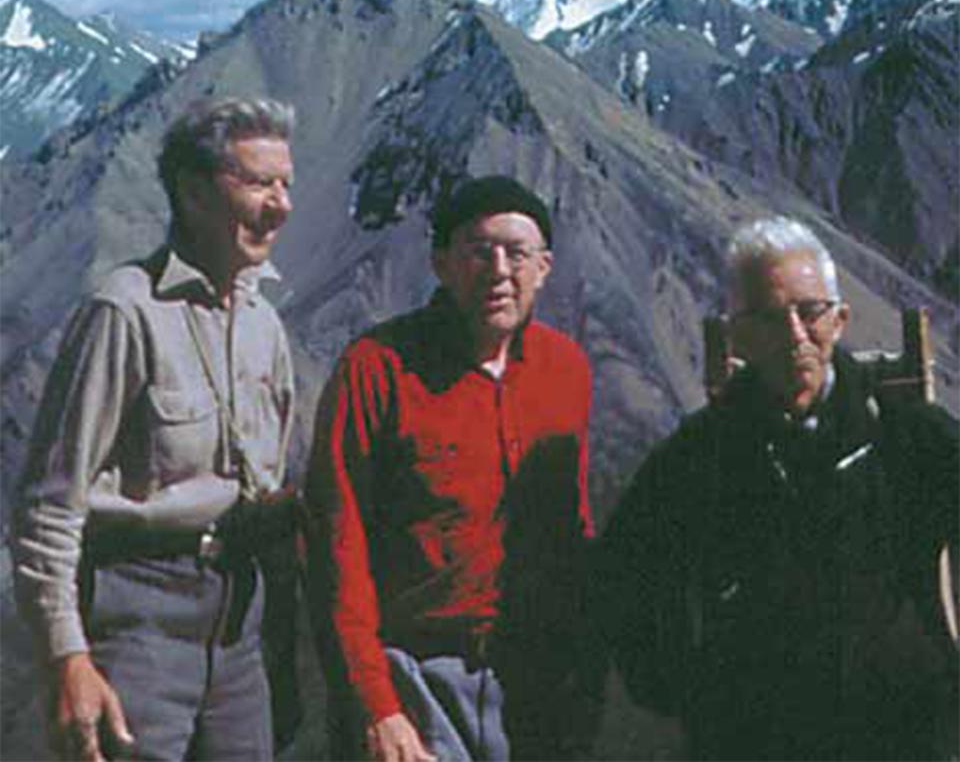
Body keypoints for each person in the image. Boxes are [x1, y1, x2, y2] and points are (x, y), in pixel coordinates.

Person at [598, 216, 959, 762]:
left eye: (810, 311)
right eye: (769, 318)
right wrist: (683, 691)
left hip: (899, 727)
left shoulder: (909, 435)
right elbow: (625, 573)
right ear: (739, 335)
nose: (794, 334)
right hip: (756, 734)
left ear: (839, 320)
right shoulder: (700, 455)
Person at [13, 97, 297, 761]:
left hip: (238, 630)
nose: (281, 206)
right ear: (195, 192)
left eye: (286, 184)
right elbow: (48, 503)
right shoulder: (124, 311)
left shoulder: (264, 324)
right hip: (134, 618)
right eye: (259, 183)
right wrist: (67, 656)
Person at [306, 176, 600, 762]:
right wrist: (377, 706)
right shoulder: (377, 370)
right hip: (415, 676)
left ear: (544, 267)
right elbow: (336, 546)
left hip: (535, 676)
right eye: (477, 250)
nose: (498, 270)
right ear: (441, 263)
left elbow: (575, 528)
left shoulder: (565, 369)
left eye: (516, 253)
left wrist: (584, 674)